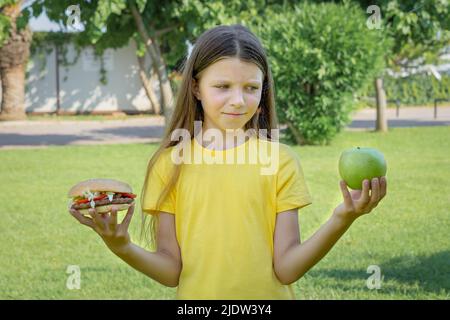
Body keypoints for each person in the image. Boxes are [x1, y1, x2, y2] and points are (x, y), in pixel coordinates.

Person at [69, 24, 387, 300]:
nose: (238, 100)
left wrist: (342, 217)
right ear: (195, 87)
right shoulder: (170, 164)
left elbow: (287, 268)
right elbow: (170, 271)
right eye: (222, 86)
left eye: (251, 88)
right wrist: (121, 245)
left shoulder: (280, 161)